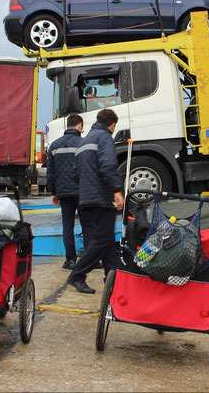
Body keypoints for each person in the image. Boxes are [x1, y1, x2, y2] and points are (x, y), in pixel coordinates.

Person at [67, 109, 125, 293]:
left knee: (105, 239)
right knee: (104, 239)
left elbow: (76, 172)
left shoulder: (85, 140)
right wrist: (116, 190)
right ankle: (77, 274)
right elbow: (108, 166)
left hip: (86, 197)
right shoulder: (105, 137)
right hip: (101, 197)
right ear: (113, 125)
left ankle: (112, 277)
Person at [46, 114, 94, 270]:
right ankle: (89, 260)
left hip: (64, 193)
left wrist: (53, 192)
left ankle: (70, 260)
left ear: (67, 125)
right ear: (80, 125)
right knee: (87, 225)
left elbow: (50, 172)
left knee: (67, 226)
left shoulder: (54, 145)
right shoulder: (85, 143)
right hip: (82, 192)